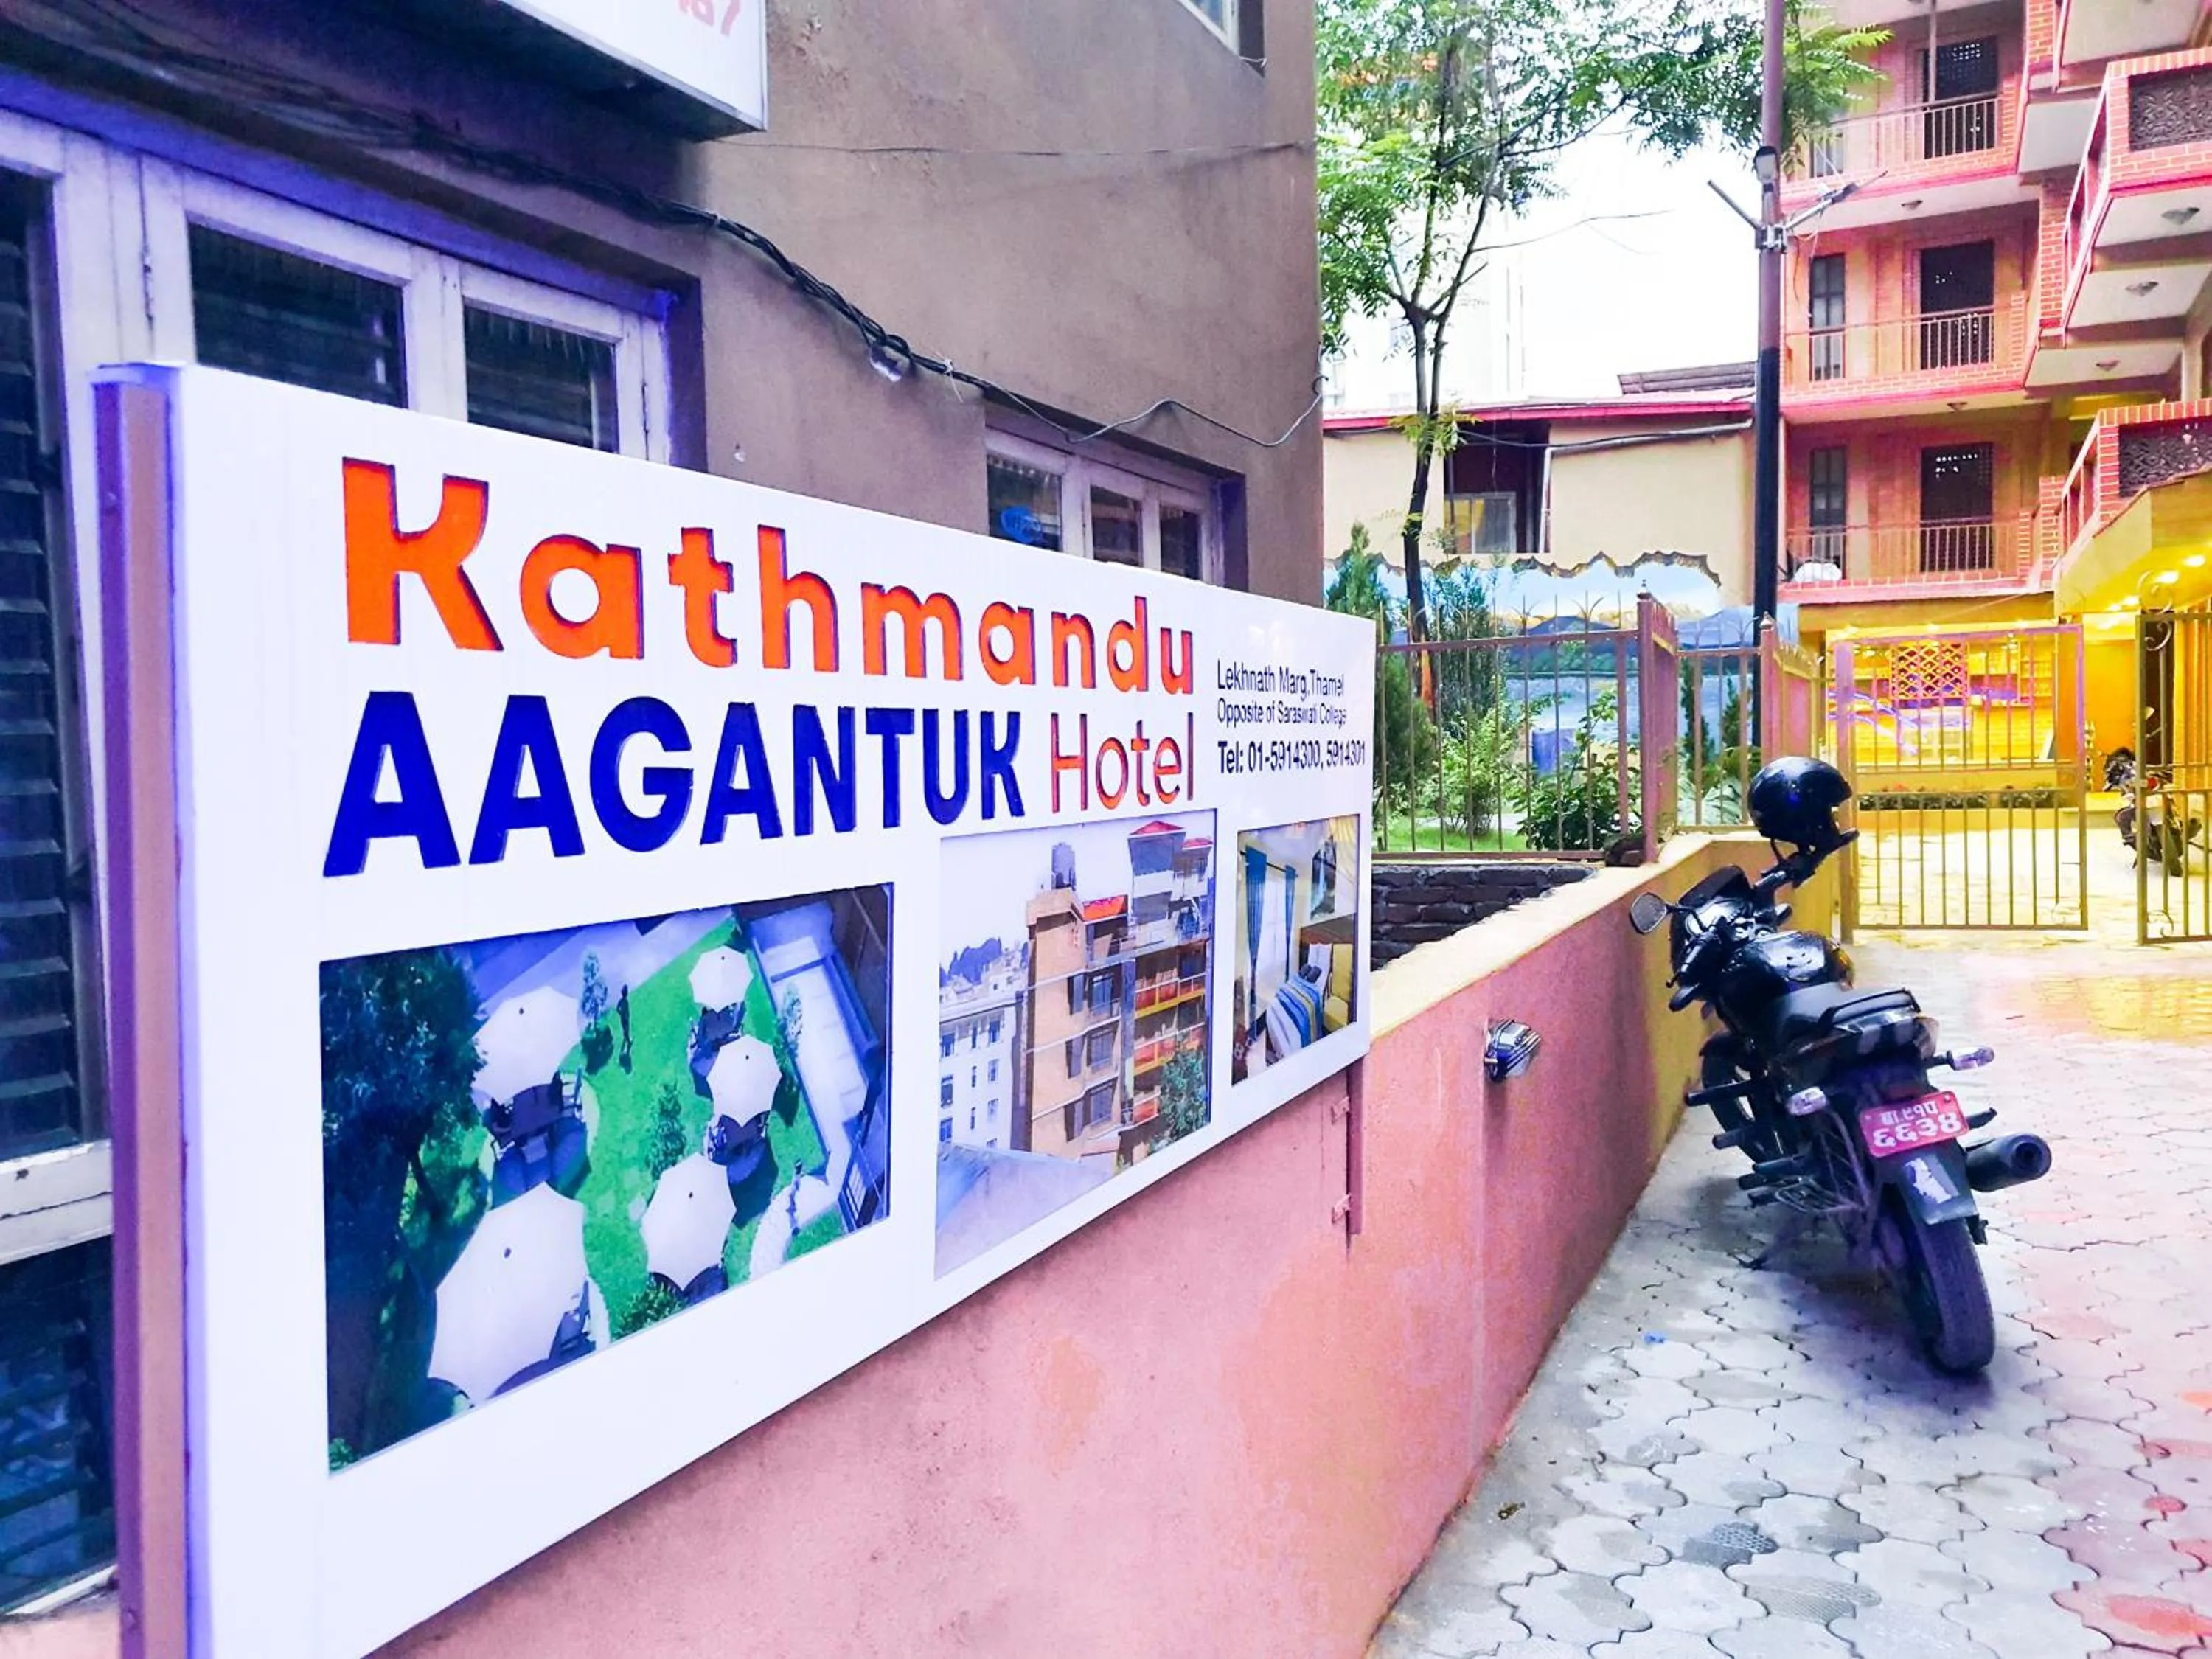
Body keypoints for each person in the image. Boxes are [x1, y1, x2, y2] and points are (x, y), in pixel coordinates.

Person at [617, 985, 633, 1071]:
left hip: (622, 1018)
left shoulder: (621, 1001)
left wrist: (621, 1013)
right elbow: (627, 1010)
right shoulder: (626, 1002)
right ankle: (628, 1042)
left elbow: (617, 1009)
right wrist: (627, 1015)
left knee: (625, 1030)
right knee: (627, 1030)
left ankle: (627, 1039)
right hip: (625, 1018)